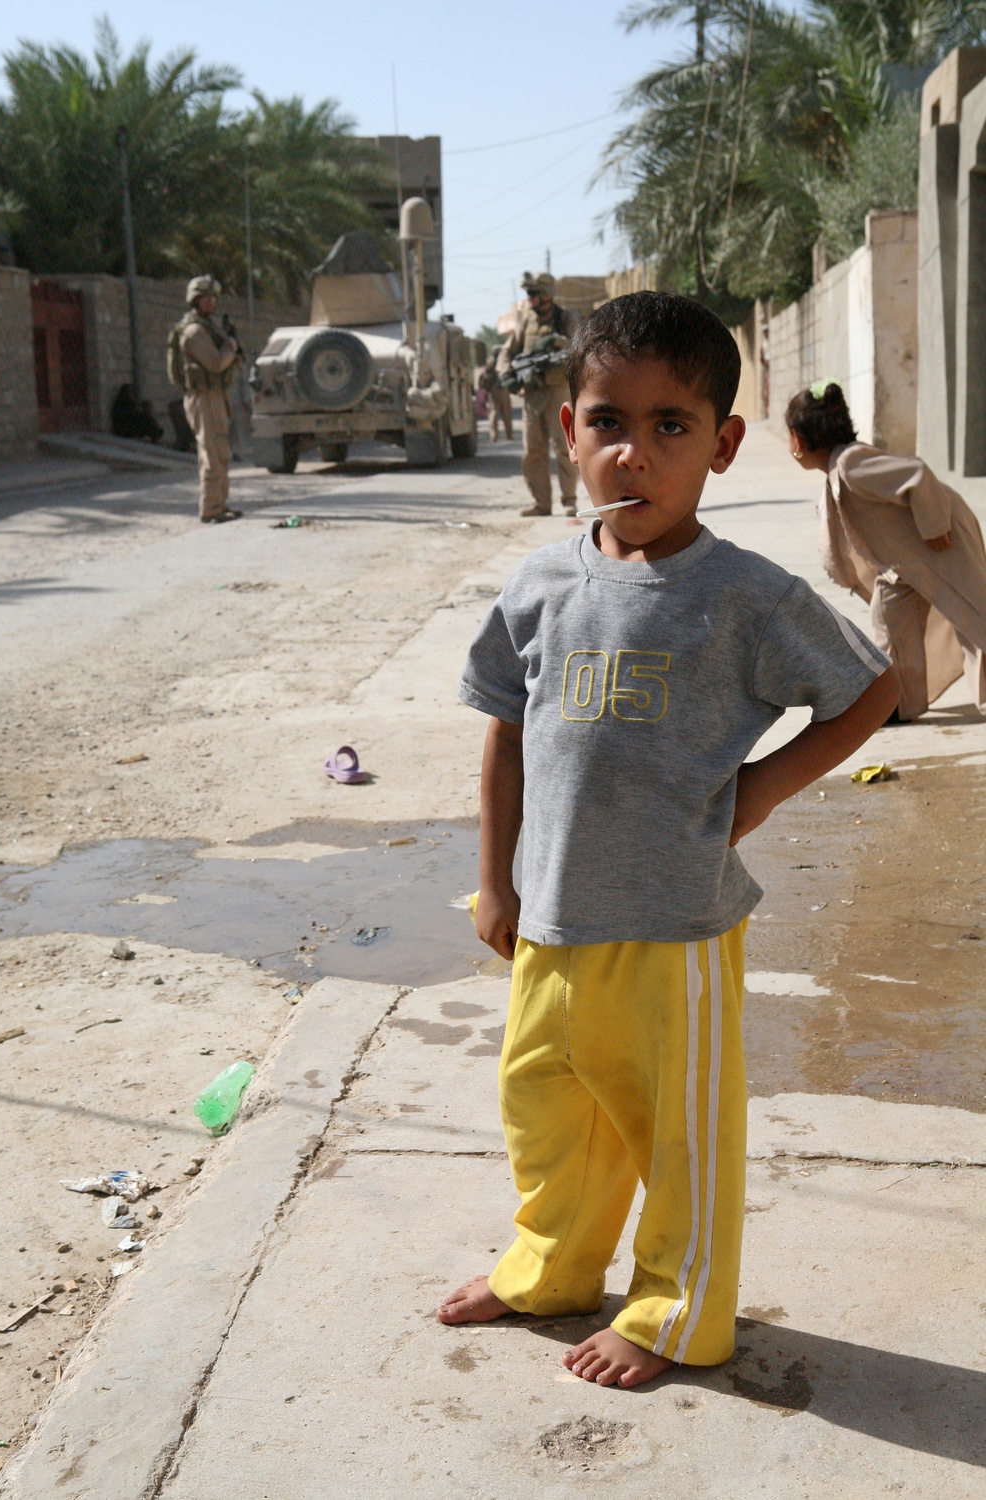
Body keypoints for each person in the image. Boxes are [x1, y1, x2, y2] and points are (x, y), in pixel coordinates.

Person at [438, 291, 898, 1388]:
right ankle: (549, 1268)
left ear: (723, 444)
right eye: (608, 424)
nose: (633, 455)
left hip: (672, 928)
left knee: (676, 1138)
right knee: (547, 1112)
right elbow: (504, 725)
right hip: (550, 916)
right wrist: (493, 884)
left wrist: (758, 794)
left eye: (669, 428)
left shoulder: (742, 595)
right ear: (568, 433)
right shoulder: (542, 581)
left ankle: (676, 1311)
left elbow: (869, 691)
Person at [787, 380, 986, 722]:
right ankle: (897, 702)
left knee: (973, 618)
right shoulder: (840, 468)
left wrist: (934, 527)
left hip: (942, 541)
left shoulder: (851, 463)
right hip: (903, 563)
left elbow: (918, 475)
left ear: (799, 441)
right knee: (888, 619)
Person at [497, 272, 577, 516]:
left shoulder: (565, 318)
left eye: (534, 294)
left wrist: (557, 342)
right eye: (528, 294)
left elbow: (578, 347)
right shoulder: (525, 321)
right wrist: (506, 374)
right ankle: (542, 503)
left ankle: (569, 501)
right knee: (533, 451)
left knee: (564, 447)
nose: (530, 299)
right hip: (533, 395)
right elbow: (506, 353)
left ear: (547, 295)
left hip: (557, 390)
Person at [168, 276, 242, 524]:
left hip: (213, 395)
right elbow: (215, 362)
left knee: (220, 450)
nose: (211, 303)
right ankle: (211, 508)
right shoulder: (194, 331)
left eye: (213, 298)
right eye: (205, 299)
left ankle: (218, 504)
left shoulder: (206, 327)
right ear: (195, 300)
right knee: (212, 452)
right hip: (204, 396)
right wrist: (231, 345)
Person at [479, 346, 513, 442]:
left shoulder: (489, 362)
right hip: (502, 389)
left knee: (493, 414)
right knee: (506, 413)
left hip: (493, 391)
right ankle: (508, 435)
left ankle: (494, 436)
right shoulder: (502, 361)